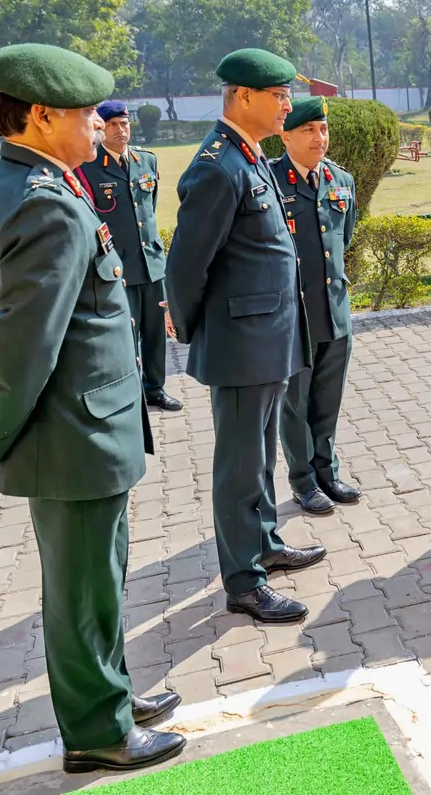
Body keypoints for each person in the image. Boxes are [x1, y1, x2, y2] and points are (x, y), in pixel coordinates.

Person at [0, 42, 185, 773]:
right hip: (71, 433)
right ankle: (96, 732)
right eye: (83, 113)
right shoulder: (43, 203)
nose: (95, 126)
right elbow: (23, 352)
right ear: (43, 116)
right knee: (81, 590)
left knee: (100, 578)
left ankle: (108, 693)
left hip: (79, 431)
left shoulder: (9, 186)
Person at [165, 48, 325, 624]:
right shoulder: (216, 165)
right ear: (242, 97)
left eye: (287, 95)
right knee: (238, 465)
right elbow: (186, 265)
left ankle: (263, 544)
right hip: (239, 343)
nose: (287, 105)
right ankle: (243, 582)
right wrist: (186, 327)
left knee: (258, 457)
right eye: (279, 96)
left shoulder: (246, 154)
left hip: (269, 337)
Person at [268, 96, 363, 516]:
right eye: (308, 130)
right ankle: (303, 481)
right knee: (296, 404)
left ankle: (327, 471)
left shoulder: (341, 180)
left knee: (327, 399)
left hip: (333, 310)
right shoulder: (270, 181)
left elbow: (342, 242)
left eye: (323, 129)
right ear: (285, 135)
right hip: (293, 315)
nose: (318, 138)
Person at [76, 100, 181, 411]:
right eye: (113, 125)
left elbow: (147, 210)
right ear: (101, 128)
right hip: (117, 267)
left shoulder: (146, 161)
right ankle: (128, 393)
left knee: (155, 332)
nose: (120, 130)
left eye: (124, 124)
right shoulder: (89, 167)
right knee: (124, 333)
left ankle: (155, 389)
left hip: (151, 262)